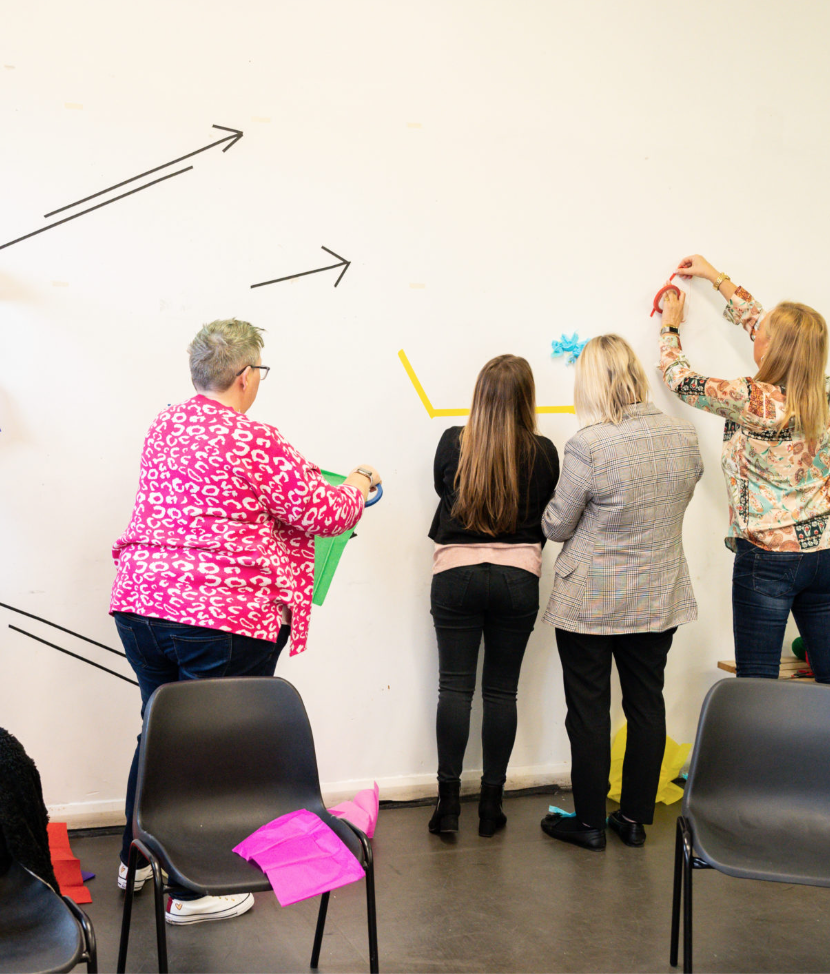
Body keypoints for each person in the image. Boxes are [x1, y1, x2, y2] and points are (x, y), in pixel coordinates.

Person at [109, 319, 379, 924]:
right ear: (245, 375)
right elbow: (324, 511)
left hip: (141, 603)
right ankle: (194, 893)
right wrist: (360, 484)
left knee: (161, 730)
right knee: (213, 749)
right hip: (218, 617)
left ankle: (138, 860)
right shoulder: (257, 439)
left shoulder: (166, 424)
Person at [657, 254, 830, 690]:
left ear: (769, 347)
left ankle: (758, 762)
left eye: (761, 334)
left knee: (757, 683)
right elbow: (770, 327)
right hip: (829, 551)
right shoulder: (817, 389)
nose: (756, 331)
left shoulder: (751, 398)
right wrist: (716, 278)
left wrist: (669, 327)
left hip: (770, 558)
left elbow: (680, 379)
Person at [538, 335, 702, 852]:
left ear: (592, 382)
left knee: (588, 711)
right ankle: (632, 819)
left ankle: (588, 823)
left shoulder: (590, 444)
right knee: (646, 704)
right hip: (658, 592)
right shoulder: (683, 435)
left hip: (591, 599)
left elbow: (557, 525)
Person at [427, 356, 560, 837]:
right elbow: (548, 511)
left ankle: (446, 808)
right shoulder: (544, 452)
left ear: (480, 394)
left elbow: (445, 491)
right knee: (502, 691)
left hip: (456, 575)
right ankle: (491, 807)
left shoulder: (452, 442)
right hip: (517, 578)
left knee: (454, 690)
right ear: (528, 398)